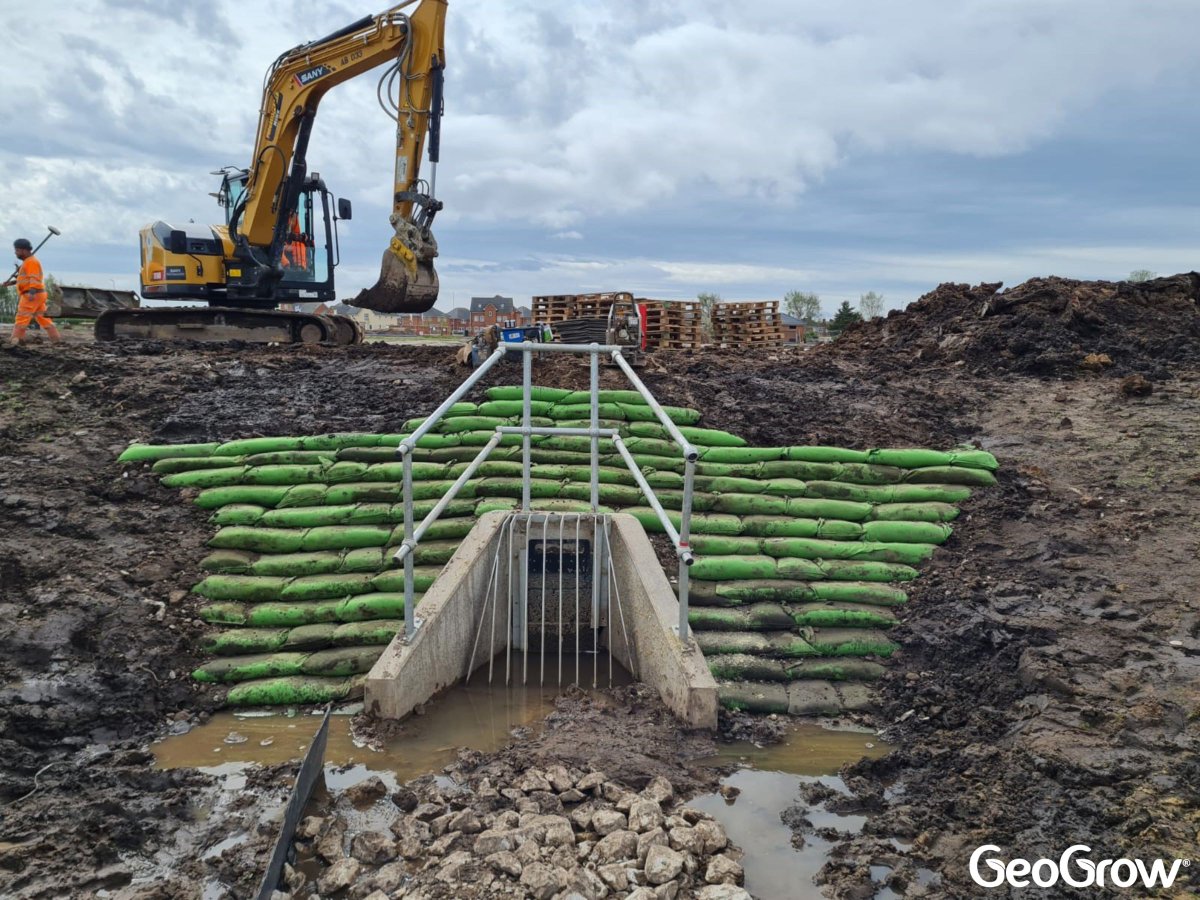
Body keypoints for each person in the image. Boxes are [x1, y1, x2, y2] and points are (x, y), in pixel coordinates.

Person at [4, 238, 61, 345]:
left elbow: (34, 278)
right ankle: (56, 340)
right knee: (44, 318)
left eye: (17, 250)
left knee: (22, 317)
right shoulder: (28, 262)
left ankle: (15, 342)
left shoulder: (31, 262)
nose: (15, 253)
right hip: (38, 294)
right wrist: (10, 283)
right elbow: (24, 279)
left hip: (31, 295)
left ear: (24, 250)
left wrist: (32, 292)